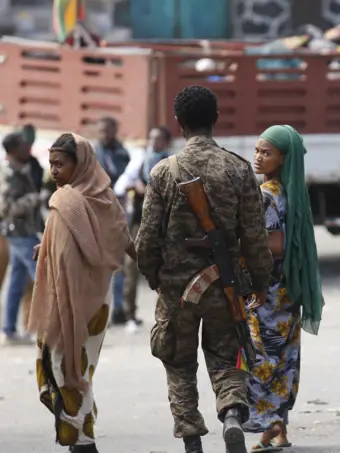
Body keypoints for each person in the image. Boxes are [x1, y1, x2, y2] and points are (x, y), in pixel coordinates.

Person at [136, 85, 272, 453]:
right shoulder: (238, 169)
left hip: (176, 289)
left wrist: (153, 276)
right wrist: (259, 282)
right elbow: (255, 237)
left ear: (179, 124)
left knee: (178, 362)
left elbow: (146, 238)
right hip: (223, 284)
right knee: (227, 357)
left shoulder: (164, 172)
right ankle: (230, 413)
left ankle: (192, 438)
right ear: (214, 120)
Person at [28, 133, 135, 453]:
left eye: (61, 164)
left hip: (80, 300)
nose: (55, 171)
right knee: (76, 367)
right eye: (51, 164)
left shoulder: (68, 201)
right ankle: (81, 436)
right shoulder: (101, 196)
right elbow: (118, 238)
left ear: (82, 163)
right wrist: (45, 246)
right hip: (93, 298)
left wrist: (155, 272)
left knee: (67, 368)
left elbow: (121, 239)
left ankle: (82, 439)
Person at [244, 125, 324, 452]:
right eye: (258, 150)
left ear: (283, 158)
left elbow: (273, 247)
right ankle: (279, 434)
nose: (259, 157)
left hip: (269, 292)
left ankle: (268, 425)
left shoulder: (267, 195)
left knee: (263, 359)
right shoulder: (292, 192)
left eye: (267, 153)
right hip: (288, 291)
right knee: (284, 359)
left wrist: (255, 282)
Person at [114, 126, 173, 332]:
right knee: (131, 269)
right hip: (139, 223)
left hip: (163, 226)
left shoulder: (170, 163)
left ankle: (167, 315)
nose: (153, 143)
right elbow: (121, 186)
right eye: (151, 138)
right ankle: (129, 313)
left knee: (163, 271)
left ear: (166, 142)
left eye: (158, 139)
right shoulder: (141, 162)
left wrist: (144, 189)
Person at [0, 132, 43, 345]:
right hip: (19, 233)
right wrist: (33, 199)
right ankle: (49, 330)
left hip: (22, 231)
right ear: (13, 149)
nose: (28, 149)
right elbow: (5, 207)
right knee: (43, 278)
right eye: (23, 145)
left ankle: (8, 329)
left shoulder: (20, 169)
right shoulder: (7, 173)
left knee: (16, 283)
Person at [93, 116, 131, 326]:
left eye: (107, 131)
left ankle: (118, 310)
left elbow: (125, 178)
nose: (104, 135)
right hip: (96, 215)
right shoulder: (91, 153)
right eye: (101, 131)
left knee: (117, 266)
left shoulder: (122, 153)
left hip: (116, 215)